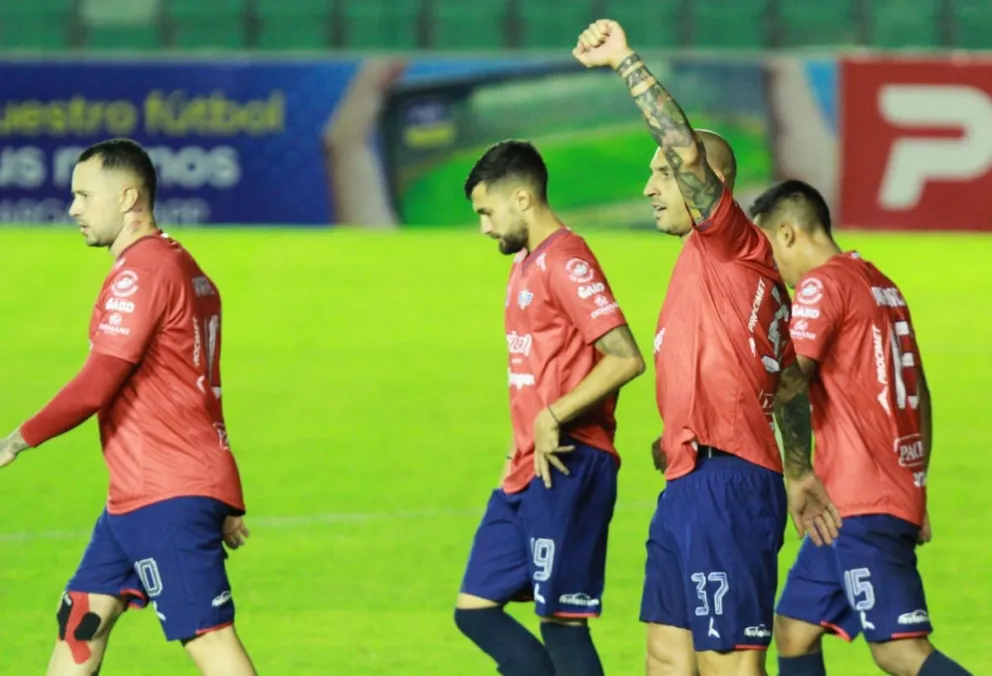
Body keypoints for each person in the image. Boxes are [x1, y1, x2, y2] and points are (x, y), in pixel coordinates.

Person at [573, 20, 840, 676]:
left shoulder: (731, 243)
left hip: (728, 485)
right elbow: (788, 384)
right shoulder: (714, 270)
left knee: (728, 663)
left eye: (659, 176)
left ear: (709, 183)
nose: (648, 189)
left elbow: (686, 152)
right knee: (667, 658)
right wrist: (799, 470)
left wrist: (625, 62)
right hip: (690, 480)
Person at [0, 138, 256, 676]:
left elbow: (98, 383)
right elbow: (202, 387)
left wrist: (17, 440)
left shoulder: (142, 273)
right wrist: (223, 490)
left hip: (165, 489)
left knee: (208, 638)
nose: (72, 208)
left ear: (127, 197)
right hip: (144, 491)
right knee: (82, 617)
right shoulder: (183, 265)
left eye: (83, 195)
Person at [751, 179, 970, 676]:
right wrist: (916, 483)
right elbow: (920, 391)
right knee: (794, 629)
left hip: (860, 499)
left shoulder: (820, 285)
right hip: (860, 498)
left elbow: (792, 379)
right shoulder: (878, 282)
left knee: (899, 651)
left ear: (787, 233)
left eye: (767, 251)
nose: (769, 269)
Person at [454, 139, 646, 676]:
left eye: (487, 212)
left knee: (562, 623)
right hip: (524, 468)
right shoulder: (524, 264)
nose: (484, 227)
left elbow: (626, 358)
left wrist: (553, 416)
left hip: (569, 459)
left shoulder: (567, 261)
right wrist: (516, 448)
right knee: (474, 610)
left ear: (522, 198)